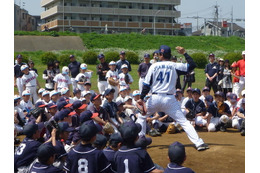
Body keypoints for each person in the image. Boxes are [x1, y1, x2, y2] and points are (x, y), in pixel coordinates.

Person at [138, 45, 209, 151]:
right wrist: (184, 53)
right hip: (169, 99)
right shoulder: (175, 65)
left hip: (154, 98)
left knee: (141, 117)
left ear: (161, 55)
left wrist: (141, 98)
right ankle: (199, 143)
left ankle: (141, 141)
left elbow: (146, 85)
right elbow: (192, 65)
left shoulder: (153, 66)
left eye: (159, 53)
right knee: (184, 122)